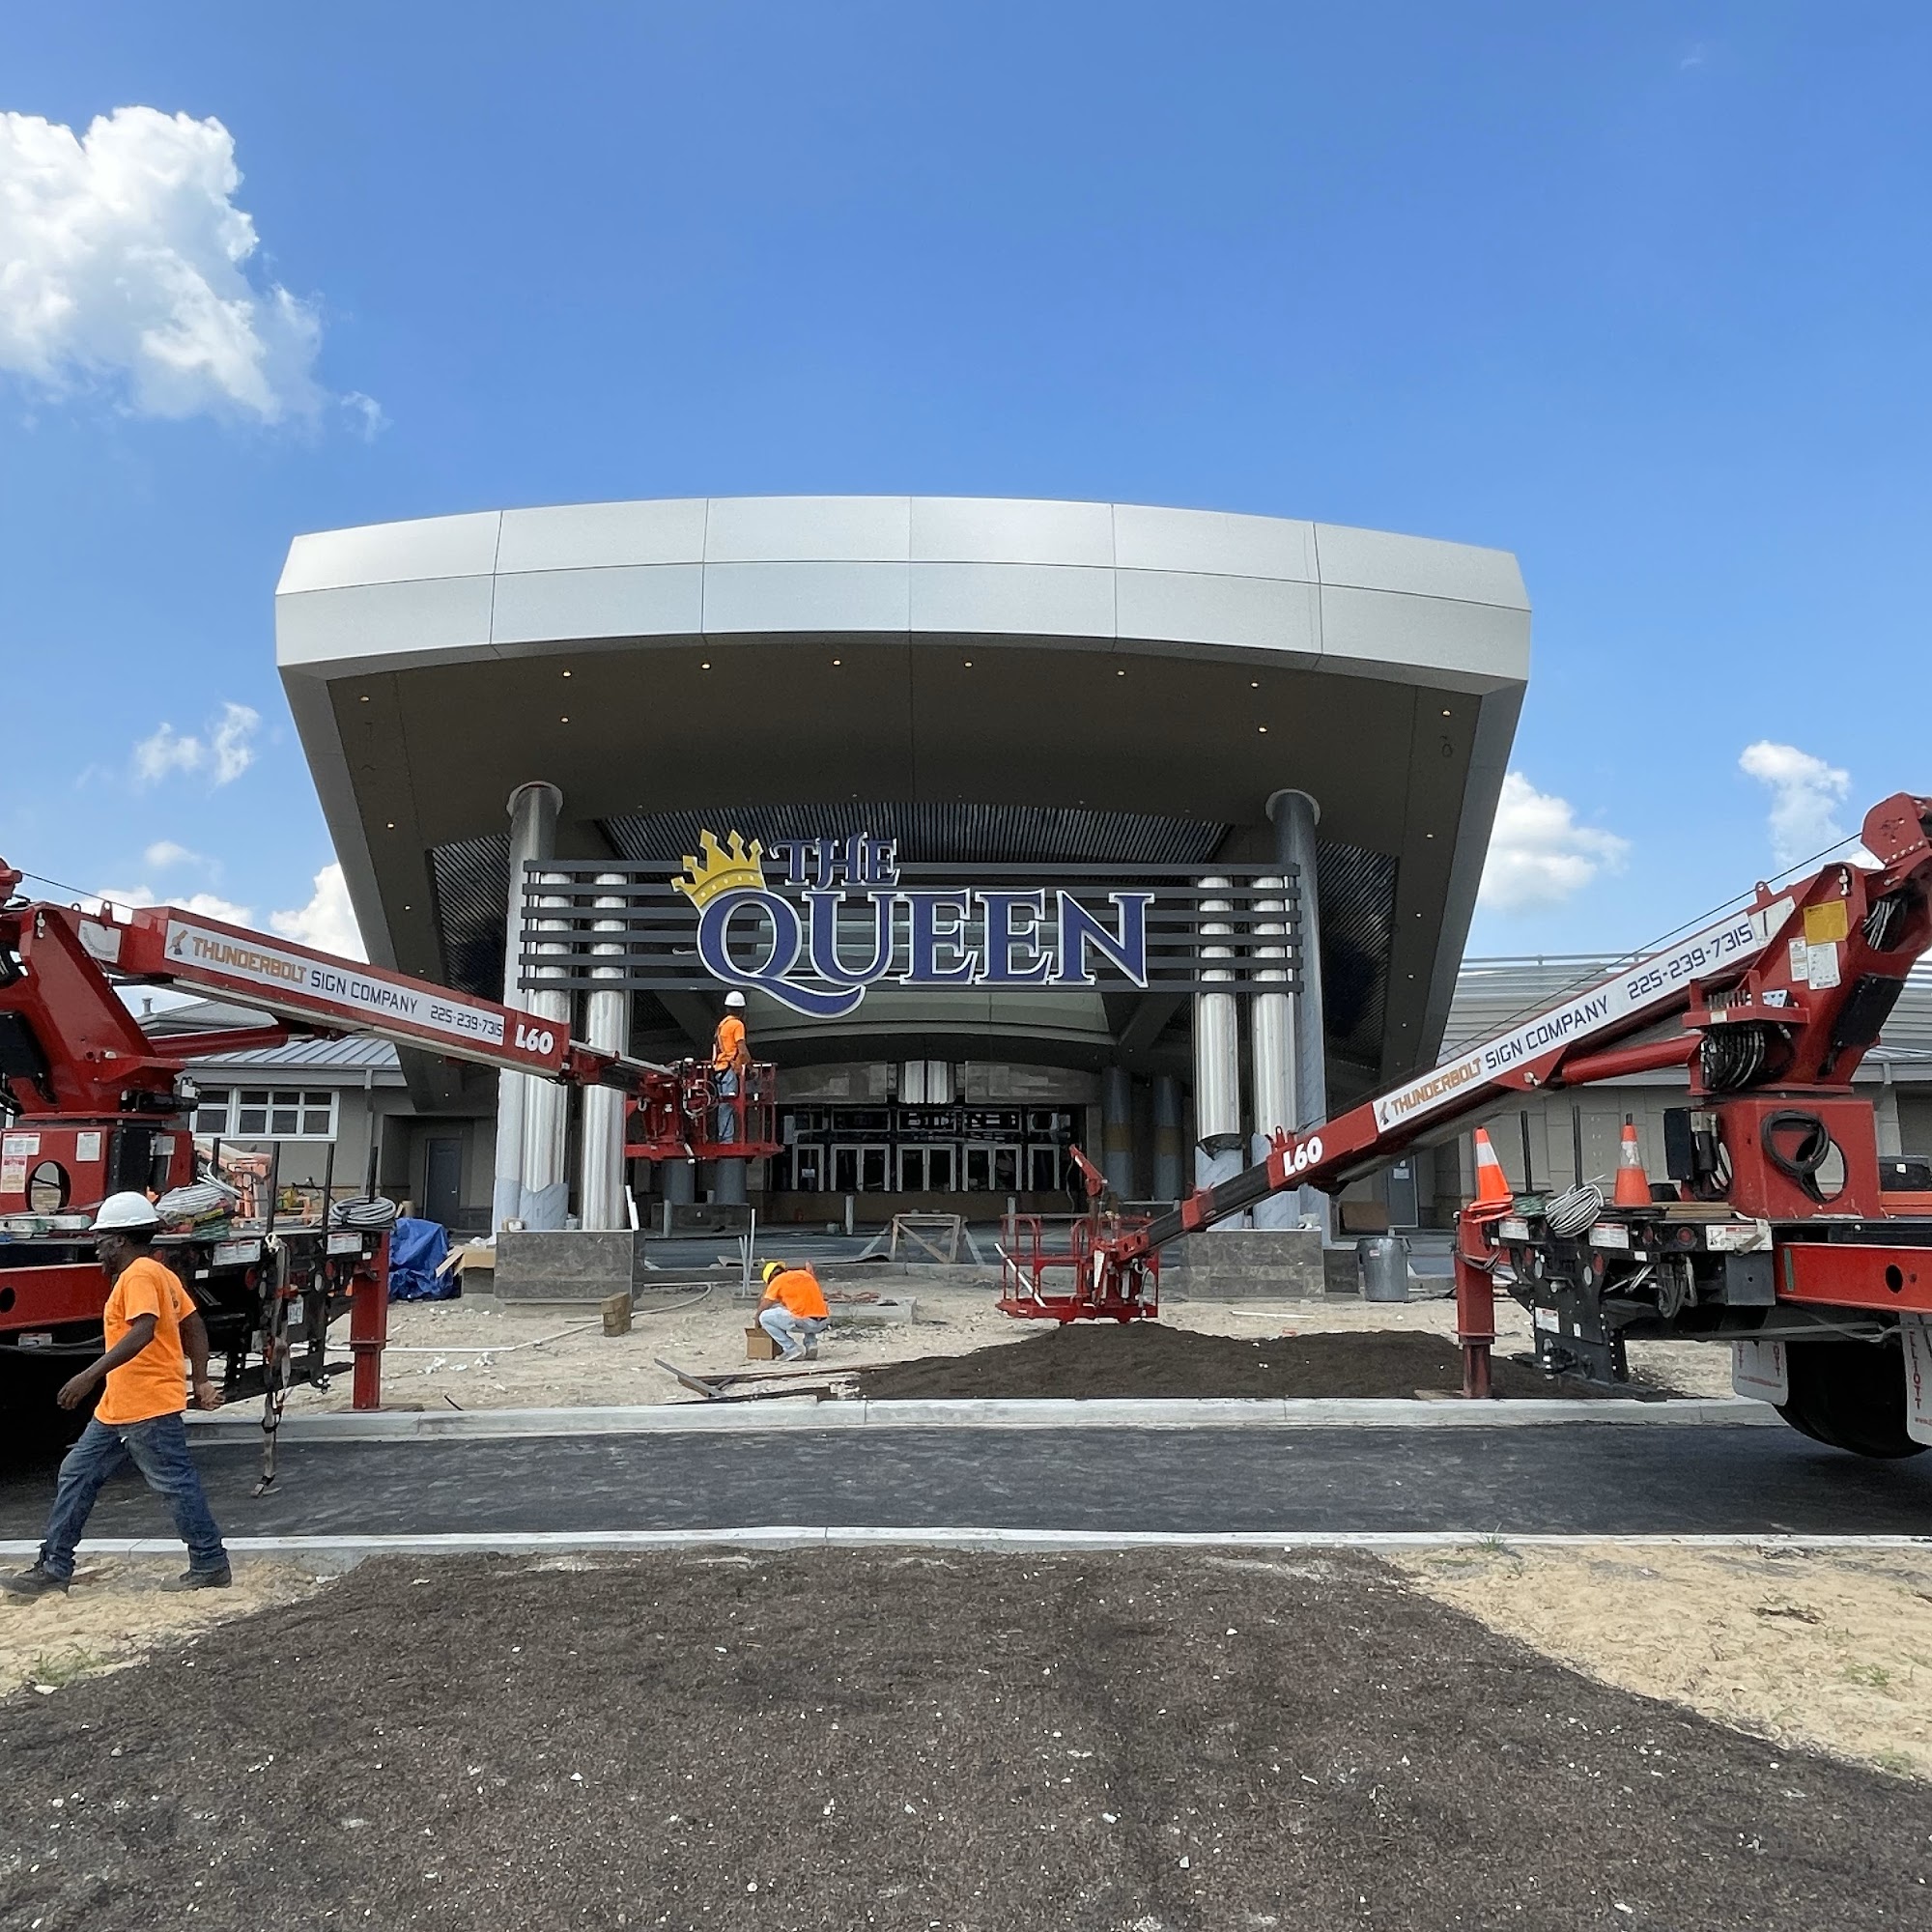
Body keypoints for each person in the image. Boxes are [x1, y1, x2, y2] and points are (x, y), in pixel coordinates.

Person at [1, 1193, 230, 1598]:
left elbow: (142, 1330)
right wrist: (199, 1379)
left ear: (121, 1240)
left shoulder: (139, 1275)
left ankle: (209, 1563)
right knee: (78, 1472)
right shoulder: (160, 1273)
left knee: (175, 1484)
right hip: (120, 1406)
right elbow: (193, 1325)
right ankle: (54, 1566)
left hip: (146, 1405)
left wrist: (88, 1376)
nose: (97, 1247)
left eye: (103, 1239)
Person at [757, 1258, 829, 1362]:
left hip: (806, 1322)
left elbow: (764, 1305)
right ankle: (811, 1344)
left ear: (770, 1278)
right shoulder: (804, 1274)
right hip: (823, 1321)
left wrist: (757, 1319)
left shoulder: (777, 1281)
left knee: (764, 1317)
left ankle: (791, 1349)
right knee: (805, 1306)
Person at [712, 989, 750, 1142]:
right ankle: (727, 1140)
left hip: (719, 1069)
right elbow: (741, 1049)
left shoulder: (722, 1025)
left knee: (723, 1104)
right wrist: (750, 1066)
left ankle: (723, 1137)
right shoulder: (737, 1025)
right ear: (741, 1010)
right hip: (729, 1070)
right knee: (729, 1105)